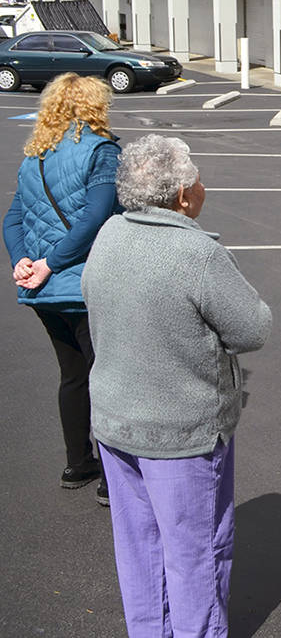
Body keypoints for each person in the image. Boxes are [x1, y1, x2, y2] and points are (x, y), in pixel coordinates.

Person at [81, 134, 272, 637]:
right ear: (182, 196)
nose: (203, 188)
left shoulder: (109, 235)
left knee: (139, 546)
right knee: (196, 553)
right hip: (179, 431)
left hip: (115, 419)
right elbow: (252, 329)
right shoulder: (196, 253)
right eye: (198, 180)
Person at [3, 72, 120, 507]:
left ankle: (78, 463)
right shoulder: (102, 150)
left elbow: (12, 218)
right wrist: (52, 264)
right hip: (85, 281)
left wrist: (24, 262)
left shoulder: (35, 156)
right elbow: (96, 217)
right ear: (95, 105)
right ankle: (112, 476)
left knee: (72, 375)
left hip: (44, 289)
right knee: (105, 376)